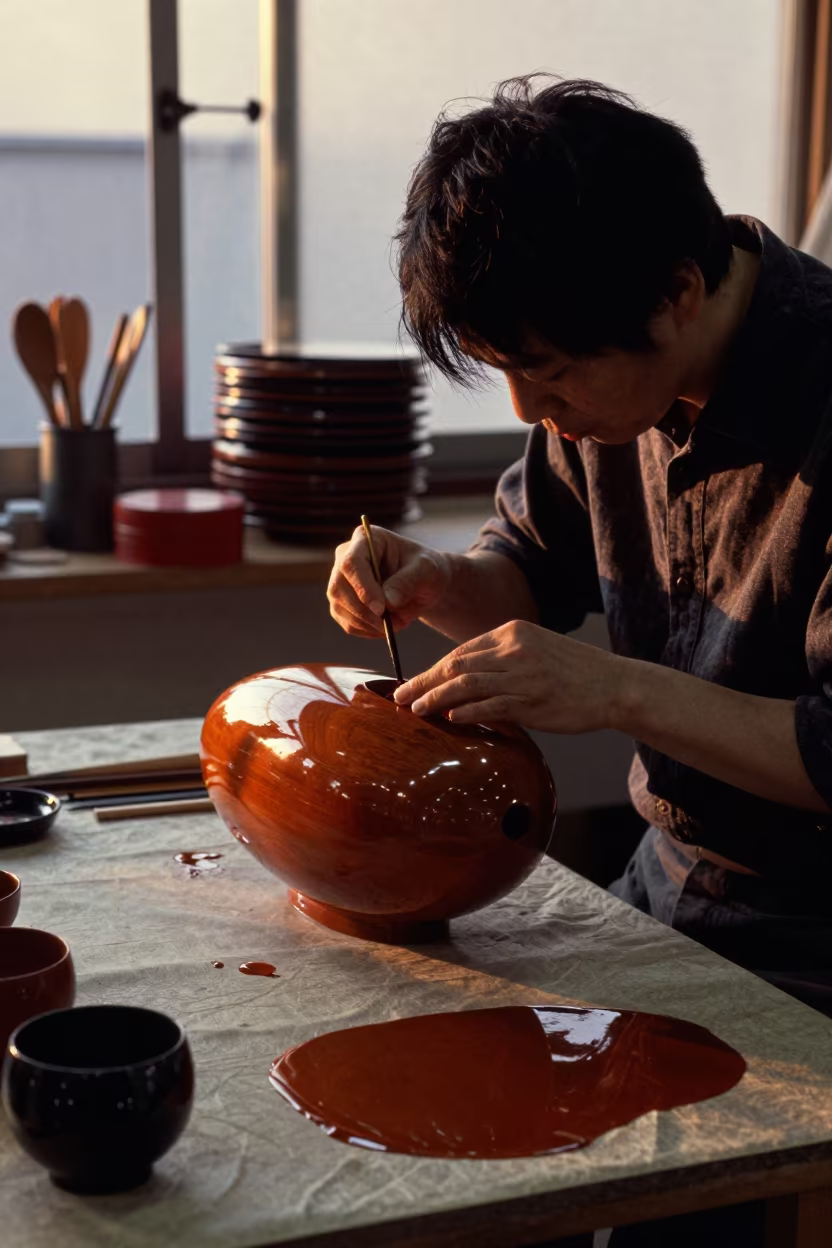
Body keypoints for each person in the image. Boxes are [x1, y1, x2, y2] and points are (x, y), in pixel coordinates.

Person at [326, 77, 832, 1245]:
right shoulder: (601, 374)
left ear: (678, 292)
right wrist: (440, 581)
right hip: (671, 885)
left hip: (814, 935)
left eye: (548, 373)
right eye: (503, 371)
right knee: (453, 1131)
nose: (529, 407)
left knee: (648, 1213)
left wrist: (611, 689)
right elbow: (530, 563)